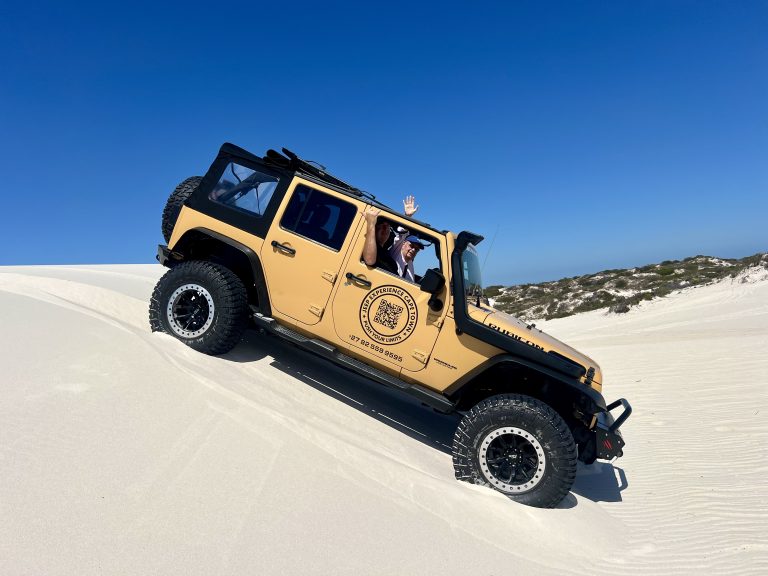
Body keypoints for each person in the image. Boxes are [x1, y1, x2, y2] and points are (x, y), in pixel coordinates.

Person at [361, 195, 420, 274]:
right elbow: (369, 260)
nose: (385, 229)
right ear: (375, 229)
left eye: (387, 226)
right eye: (381, 226)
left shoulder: (387, 255)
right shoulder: (371, 249)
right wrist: (371, 224)